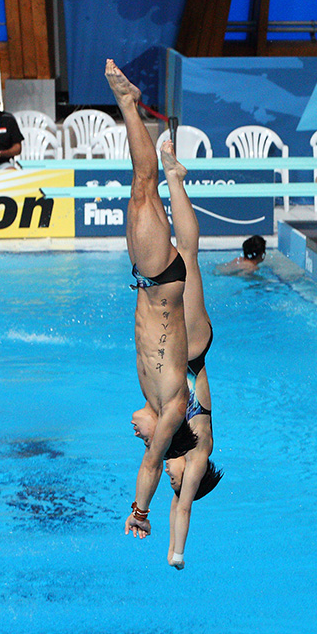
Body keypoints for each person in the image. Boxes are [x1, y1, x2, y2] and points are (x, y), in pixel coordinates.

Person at [105, 59, 190, 544]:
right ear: (162, 431)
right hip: (159, 276)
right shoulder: (172, 407)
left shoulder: (162, 399)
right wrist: (140, 511)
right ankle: (127, 102)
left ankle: (130, 107)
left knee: (143, 190)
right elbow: (154, 462)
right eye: (146, 434)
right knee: (143, 183)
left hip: (151, 277)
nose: (136, 432)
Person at [128, 140, 223, 570]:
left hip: (179, 352)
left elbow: (172, 495)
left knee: (186, 255)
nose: (173, 480)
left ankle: (174, 177)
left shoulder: (180, 446)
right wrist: (177, 554)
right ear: (194, 477)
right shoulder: (199, 453)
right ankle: (173, 178)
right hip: (194, 348)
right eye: (178, 482)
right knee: (187, 254)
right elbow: (184, 509)